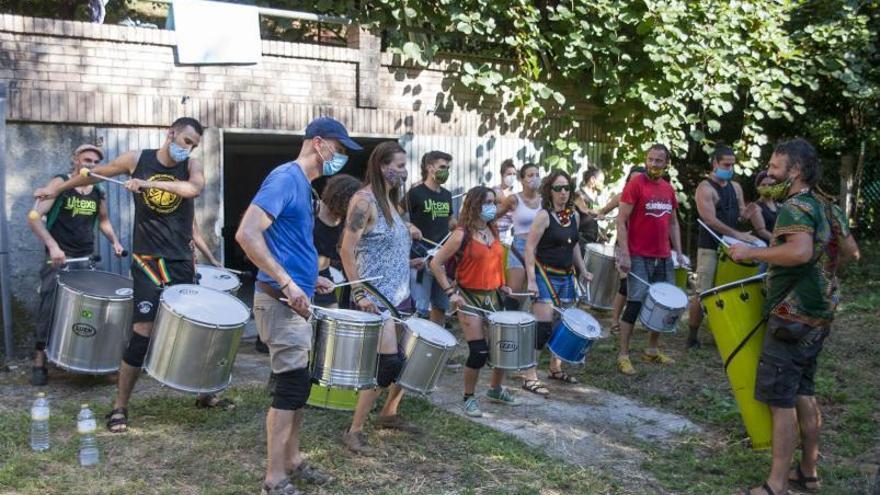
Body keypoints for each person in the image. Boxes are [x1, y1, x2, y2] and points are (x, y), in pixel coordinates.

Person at [33, 117, 233, 428]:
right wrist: (55, 190)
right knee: (142, 333)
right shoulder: (136, 159)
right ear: (171, 134)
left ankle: (204, 394)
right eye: (186, 141)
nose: (188, 148)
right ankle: (119, 407)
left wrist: (147, 184)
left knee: (196, 327)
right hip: (148, 260)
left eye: (193, 145)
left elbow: (193, 189)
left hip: (181, 259)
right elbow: (91, 175)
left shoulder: (191, 166)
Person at [728, 138, 859, 495]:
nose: (768, 172)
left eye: (774, 167)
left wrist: (755, 254)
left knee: (780, 401)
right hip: (820, 315)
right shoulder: (827, 206)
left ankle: (775, 485)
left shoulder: (796, 206)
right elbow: (850, 251)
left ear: (795, 171)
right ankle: (809, 473)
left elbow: (799, 252)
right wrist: (823, 275)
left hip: (791, 317)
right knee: (805, 391)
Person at [235, 116, 357, 495]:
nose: (340, 158)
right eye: (338, 149)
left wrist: (308, 277)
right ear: (318, 142)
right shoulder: (285, 177)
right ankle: (274, 478)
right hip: (280, 302)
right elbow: (247, 233)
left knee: (299, 386)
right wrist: (288, 281)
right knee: (289, 388)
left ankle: (293, 459)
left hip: (297, 298)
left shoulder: (304, 186)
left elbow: (289, 243)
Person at [340, 141, 420, 455]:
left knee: (406, 360)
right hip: (374, 296)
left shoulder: (392, 202)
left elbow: (388, 247)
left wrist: (410, 260)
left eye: (404, 165)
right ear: (381, 165)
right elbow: (346, 250)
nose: (403, 171)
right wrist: (358, 292)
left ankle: (389, 414)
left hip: (401, 294)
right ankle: (355, 428)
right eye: (398, 165)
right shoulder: (363, 201)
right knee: (387, 365)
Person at [27, 144, 125, 386]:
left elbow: (103, 221)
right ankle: (39, 361)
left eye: (94, 161)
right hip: (59, 258)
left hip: (84, 258)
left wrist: (115, 242)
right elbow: (35, 218)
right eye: (86, 159)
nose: (90, 164)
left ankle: (83, 360)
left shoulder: (97, 191)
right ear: (75, 159)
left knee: (85, 311)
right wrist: (53, 246)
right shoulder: (60, 183)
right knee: (49, 306)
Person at [429, 186, 518, 416]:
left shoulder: (493, 229)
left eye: (493, 202)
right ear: (474, 204)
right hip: (470, 297)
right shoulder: (461, 234)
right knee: (478, 351)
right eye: (487, 202)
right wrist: (450, 293)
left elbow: (498, 261)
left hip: (495, 296)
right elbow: (435, 264)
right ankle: (469, 397)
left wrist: (504, 283)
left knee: (502, 347)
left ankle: (495, 389)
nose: (492, 207)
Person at [616, 144, 686, 375]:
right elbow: (621, 221)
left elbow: (673, 223)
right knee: (634, 303)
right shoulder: (635, 185)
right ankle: (623, 355)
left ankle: (652, 350)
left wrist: (678, 252)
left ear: (667, 164)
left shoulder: (668, 189)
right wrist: (625, 253)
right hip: (638, 256)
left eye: (659, 161)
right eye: (650, 159)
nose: (654, 164)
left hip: (663, 256)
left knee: (663, 304)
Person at [522, 170, 591, 395]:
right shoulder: (543, 216)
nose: (563, 193)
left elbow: (574, 246)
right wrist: (531, 279)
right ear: (549, 191)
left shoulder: (574, 216)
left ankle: (554, 368)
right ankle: (529, 375)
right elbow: (530, 247)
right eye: (558, 188)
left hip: (566, 276)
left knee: (562, 326)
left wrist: (583, 269)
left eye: (566, 188)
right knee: (542, 328)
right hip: (545, 276)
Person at [686, 144, 759, 349]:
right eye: (726, 164)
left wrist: (747, 214)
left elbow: (740, 212)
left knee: (730, 290)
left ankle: (724, 330)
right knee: (703, 291)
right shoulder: (705, 188)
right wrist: (738, 235)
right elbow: (710, 220)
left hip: (732, 246)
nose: (730, 168)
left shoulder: (735, 187)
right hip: (710, 245)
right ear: (715, 163)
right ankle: (692, 335)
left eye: (732, 164)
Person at [405, 151, 454, 326]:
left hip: (442, 257)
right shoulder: (415, 193)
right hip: (420, 257)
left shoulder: (447, 195)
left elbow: (449, 221)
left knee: (440, 305)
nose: (446, 171)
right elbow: (395, 216)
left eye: (448, 168)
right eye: (442, 167)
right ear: (429, 167)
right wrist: (409, 226)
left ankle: (435, 342)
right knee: (419, 307)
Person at [599, 166, 645, 333]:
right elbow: (603, 211)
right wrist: (601, 214)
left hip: (642, 247)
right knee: (625, 285)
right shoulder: (621, 197)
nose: (636, 182)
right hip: (623, 246)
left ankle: (636, 320)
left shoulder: (649, 197)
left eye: (640, 178)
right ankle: (614, 321)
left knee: (640, 285)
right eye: (633, 178)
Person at [495, 163, 541, 310]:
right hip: (520, 247)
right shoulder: (514, 199)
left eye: (537, 175)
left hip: (540, 249)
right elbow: (493, 216)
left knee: (538, 294)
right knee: (514, 294)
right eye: (530, 175)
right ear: (522, 180)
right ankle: (507, 326)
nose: (535, 178)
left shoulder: (545, 200)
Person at [313, 174, 362, 309]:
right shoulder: (312, 210)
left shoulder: (347, 221)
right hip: (303, 275)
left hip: (325, 276)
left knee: (332, 321)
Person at [574, 166, 605, 247]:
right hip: (581, 238)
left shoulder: (595, 195)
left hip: (592, 239)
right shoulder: (579, 194)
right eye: (601, 181)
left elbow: (593, 220)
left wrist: (600, 234)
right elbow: (585, 209)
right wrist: (599, 213)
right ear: (592, 179)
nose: (603, 184)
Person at [746, 171, 780, 243]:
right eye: (763, 185)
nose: (767, 187)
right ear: (758, 187)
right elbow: (762, 232)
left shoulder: (779, 205)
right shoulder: (755, 207)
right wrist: (780, 243)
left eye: (770, 185)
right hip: (763, 247)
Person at [492, 159, 518, 244]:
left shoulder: (515, 194)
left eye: (514, 174)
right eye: (509, 174)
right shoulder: (495, 191)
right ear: (502, 175)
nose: (512, 176)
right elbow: (502, 199)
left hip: (508, 236)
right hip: (493, 233)